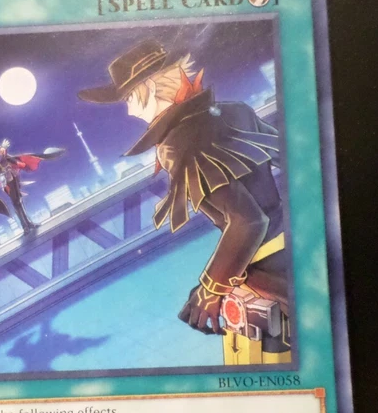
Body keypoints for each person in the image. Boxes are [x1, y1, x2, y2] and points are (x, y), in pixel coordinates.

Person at [78, 39, 292, 365]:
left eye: (129, 97)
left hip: (262, 274)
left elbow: (249, 221)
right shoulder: (235, 110)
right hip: (288, 255)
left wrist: (210, 290)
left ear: (150, 89)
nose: (129, 109)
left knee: (266, 363)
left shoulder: (177, 143)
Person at [0, 136, 63, 233]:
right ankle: (25, 226)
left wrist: (20, 164)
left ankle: (28, 223)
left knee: (19, 201)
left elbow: (9, 158)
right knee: (15, 202)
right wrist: (2, 150)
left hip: (12, 174)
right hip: (5, 179)